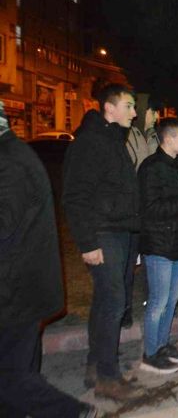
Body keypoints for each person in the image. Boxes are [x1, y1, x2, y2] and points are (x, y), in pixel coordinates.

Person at [1, 103, 97, 417]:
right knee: (19, 373)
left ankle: (73, 412)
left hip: (16, 290)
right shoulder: (13, 156)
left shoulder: (10, 162)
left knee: (10, 378)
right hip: (20, 287)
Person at [62, 84, 141, 400]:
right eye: (129, 105)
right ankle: (108, 378)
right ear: (110, 108)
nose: (134, 113)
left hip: (121, 231)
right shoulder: (91, 142)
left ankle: (96, 368)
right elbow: (74, 196)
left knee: (107, 303)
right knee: (114, 303)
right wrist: (87, 243)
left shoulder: (112, 139)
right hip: (103, 234)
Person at [138, 118, 178, 374]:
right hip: (158, 244)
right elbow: (151, 209)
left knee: (171, 299)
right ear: (170, 139)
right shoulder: (150, 168)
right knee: (158, 301)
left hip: (176, 240)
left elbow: (174, 205)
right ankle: (150, 354)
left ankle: (162, 345)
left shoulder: (176, 167)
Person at [122, 95, 163, 329]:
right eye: (152, 111)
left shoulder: (153, 135)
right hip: (135, 209)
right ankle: (125, 308)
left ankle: (151, 301)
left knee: (151, 258)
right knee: (128, 263)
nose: (155, 116)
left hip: (152, 209)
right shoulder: (129, 136)